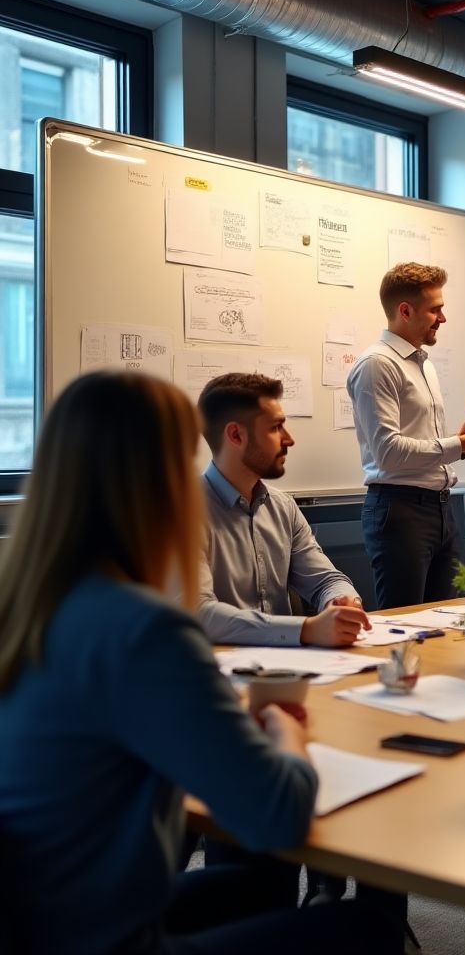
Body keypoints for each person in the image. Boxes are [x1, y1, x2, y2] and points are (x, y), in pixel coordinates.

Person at [0, 371, 389, 954]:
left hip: (43, 916)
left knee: (258, 881)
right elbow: (278, 812)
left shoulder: (33, 608)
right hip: (106, 935)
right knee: (365, 925)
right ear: (155, 481)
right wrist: (284, 730)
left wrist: (337, 598)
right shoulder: (143, 629)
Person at [348, 261, 465, 610]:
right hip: (399, 510)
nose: (443, 318)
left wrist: (463, 444)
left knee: (440, 624)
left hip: (440, 508)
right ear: (405, 311)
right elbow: (388, 452)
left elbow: (419, 442)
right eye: (435, 309)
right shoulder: (377, 364)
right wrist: (460, 445)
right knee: (403, 627)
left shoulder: (422, 363)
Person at [197, 372, 370, 646]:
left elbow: (326, 580)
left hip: (289, 669)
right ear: (235, 435)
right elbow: (200, 613)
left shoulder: (281, 506)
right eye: (275, 427)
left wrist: (343, 601)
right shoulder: (181, 513)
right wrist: (305, 630)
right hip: (218, 673)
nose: (289, 439)